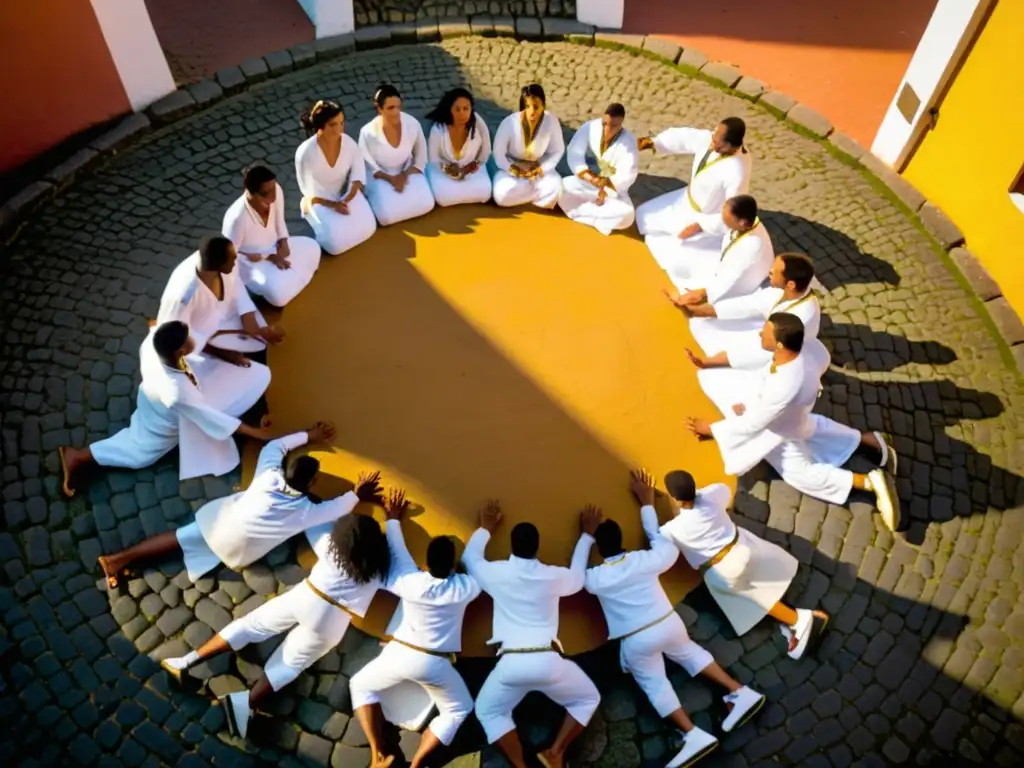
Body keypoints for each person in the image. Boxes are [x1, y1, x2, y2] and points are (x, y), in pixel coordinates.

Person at [583, 470, 766, 767]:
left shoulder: (596, 578)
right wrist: (646, 503)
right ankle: (739, 691)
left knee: (656, 684)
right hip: (668, 623)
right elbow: (660, 540)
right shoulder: (646, 560)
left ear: (600, 548)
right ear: (622, 540)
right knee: (693, 654)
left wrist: (584, 536)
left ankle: (692, 734)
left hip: (637, 638)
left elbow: (577, 575)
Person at [161, 510, 391, 739]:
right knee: (290, 664)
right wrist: (395, 522)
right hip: (333, 620)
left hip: (306, 597)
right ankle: (247, 703)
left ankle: (186, 661)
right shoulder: (380, 573)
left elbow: (312, 521)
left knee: (249, 626)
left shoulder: (331, 547)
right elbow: (406, 576)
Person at [685, 314, 905, 532]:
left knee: (800, 473)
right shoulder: (798, 357)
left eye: (766, 331)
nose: (760, 333)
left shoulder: (784, 386)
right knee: (816, 428)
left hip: (781, 431)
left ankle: (869, 482)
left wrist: (712, 429)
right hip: (798, 417)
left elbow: (754, 423)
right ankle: (869, 442)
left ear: (779, 344)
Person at [95, 425, 383, 589]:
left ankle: (118, 559)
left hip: (219, 523)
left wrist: (309, 436)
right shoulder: (305, 512)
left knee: (177, 538)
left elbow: (275, 447)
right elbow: (339, 507)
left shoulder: (269, 475)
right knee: (183, 544)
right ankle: (118, 562)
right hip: (235, 548)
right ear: (314, 482)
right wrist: (360, 492)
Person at [58, 321, 273, 494]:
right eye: (187, 340)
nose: (192, 340)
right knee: (140, 454)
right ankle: (80, 456)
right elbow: (213, 419)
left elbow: (155, 325)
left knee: (247, 375)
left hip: (153, 394)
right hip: (164, 417)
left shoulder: (155, 342)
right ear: (180, 351)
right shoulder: (178, 391)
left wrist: (230, 357)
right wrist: (256, 433)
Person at [464, 501, 600, 768]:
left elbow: (470, 559)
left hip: (510, 663)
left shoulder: (496, 572)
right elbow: (577, 578)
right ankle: (555, 753)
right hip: (548, 661)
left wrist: (485, 528)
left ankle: (520, 765)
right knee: (588, 698)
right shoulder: (552, 576)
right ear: (537, 546)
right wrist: (586, 536)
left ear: (512, 546)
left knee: (488, 711)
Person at [350, 489, 481, 768]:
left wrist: (393, 518)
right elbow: (472, 567)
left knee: (359, 686)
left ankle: (378, 754)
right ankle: (417, 764)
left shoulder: (410, 582)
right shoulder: (464, 588)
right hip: (435, 664)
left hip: (400, 655)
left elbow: (399, 554)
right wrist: (484, 530)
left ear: (426, 563)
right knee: (458, 710)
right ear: (452, 567)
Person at [657, 469, 828, 661]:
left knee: (758, 598)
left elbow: (657, 538)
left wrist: (647, 504)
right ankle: (792, 623)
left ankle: (798, 620)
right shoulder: (711, 495)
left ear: (675, 498)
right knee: (757, 587)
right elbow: (724, 491)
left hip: (724, 570)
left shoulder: (672, 529)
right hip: (743, 547)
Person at [157, 235, 284, 359]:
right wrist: (219, 352)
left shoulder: (218, 262)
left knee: (261, 344)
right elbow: (175, 340)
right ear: (219, 264)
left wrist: (247, 316)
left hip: (227, 317)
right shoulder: (182, 298)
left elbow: (236, 284)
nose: (236, 261)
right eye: (233, 260)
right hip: (202, 339)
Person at [683, 252, 820, 364]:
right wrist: (696, 311)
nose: (769, 271)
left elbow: (760, 354)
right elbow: (746, 305)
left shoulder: (798, 319)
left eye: (774, 271)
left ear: (790, 285)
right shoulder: (781, 292)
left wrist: (710, 362)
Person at [635, 117, 751, 241]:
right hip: (685, 201)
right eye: (714, 137)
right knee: (643, 215)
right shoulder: (712, 139)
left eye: (717, 143)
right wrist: (653, 142)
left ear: (728, 146)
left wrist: (700, 226)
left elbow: (735, 212)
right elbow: (684, 138)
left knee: (675, 243)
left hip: (706, 219)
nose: (711, 144)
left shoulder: (737, 172)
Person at [221, 164, 322, 308]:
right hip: (252, 263)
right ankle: (293, 279)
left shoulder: (276, 192)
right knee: (278, 295)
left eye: (273, 189)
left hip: (274, 247)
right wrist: (267, 257)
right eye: (266, 193)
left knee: (313, 247)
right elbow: (230, 256)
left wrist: (283, 241)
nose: (273, 197)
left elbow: (279, 220)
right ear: (251, 193)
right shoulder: (236, 218)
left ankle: (293, 278)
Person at [295, 99, 377, 256]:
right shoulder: (305, 153)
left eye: (341, 123)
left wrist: (347, 198)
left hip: (345, 196)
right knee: (336, 244)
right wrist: (333, 205)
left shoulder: (349, 143)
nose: (339, 129)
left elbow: (357, 177)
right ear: (321, 126)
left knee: (369, 226)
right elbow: (308, 193)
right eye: (333, 125)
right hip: (319, 202)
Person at [656, 194, 773, 298]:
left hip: (743, 283)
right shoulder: (747, 223)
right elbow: (718, 222)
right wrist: (698, 226)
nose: (722, 217)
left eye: (725, 215)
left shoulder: (752, 246)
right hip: (725, 268)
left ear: (741, 222)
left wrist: (703, 292)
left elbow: (733, 279)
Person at [359, 84, 436, 226]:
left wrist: (404, 176)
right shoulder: (367, 132)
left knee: (427, 203)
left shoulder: (412, 123)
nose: (395, 112)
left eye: (398, 107)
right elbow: (370, 166)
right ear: (379, 108)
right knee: (386, 216)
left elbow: (420, 157)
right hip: (381, 176)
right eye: (390, 108)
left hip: (407, 170)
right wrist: (391, 179)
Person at [557, 103, 639, 236]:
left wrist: (605, 187)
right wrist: (591, 178)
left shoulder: (629, 144)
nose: (607, 129)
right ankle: (598, 219)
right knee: (562, 187)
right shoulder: (590, 128)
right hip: (587, 183)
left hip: (611, 193)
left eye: (613, 126)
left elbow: (628, 175)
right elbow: (574, 154)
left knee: (628, 215)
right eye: (604, 124)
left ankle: (582, 214)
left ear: (621, 124)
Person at [492, 84, 565, 209]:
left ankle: (527, 196)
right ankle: (533, 195)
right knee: (501, 194)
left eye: (536, 107)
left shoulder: (551, 121)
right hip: (512, 170)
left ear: (543, 105)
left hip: (538, 170)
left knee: (556, 188)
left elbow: (557, 150)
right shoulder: (509, 123)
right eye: (527, 106)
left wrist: (541, 168)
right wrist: (514, 169)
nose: (532, 112)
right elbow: (498, 154)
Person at [425, 87, 493, 207]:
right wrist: (449, 170)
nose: (462, 113)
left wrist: (475, 165)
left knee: (485, 191)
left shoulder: (477, 123)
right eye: (457, 109)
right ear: (450, 110)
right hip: (444, 172)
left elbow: (486, 149)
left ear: (471, 109)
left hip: (472, 171)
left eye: (466, 109)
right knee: (443, 197)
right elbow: (433, 160)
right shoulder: (438, 129)